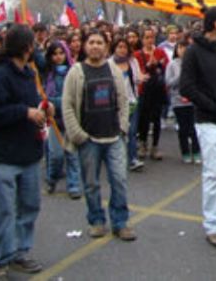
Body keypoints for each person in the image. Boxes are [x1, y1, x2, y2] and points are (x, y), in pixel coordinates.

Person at [0, 24, 49, 278]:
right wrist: (25, 112)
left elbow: (32, 105)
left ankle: (21, 251)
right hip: (4, 155)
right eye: (34, 44)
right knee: (4, 209)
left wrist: (43, 109)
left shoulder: (28, 74)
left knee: (29, 206)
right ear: (26, 47)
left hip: (29, 152)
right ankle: (1, 257)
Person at [62, 29, 136, 241]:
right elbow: (67, 106)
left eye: (99, 42)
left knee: (119, 181)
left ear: (106, 46)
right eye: (91, 42)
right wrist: (78, 135)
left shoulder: (113, 69)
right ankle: (96, 220)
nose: (95, 46)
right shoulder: (75, 72)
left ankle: (120, 222)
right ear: (85, 46)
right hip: (88, 139)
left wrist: (123, 127)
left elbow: (123, 100)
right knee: (92, 183)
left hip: (114, 138)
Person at [180, 5, 216, 249]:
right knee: (213, 173)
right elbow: (186, 87)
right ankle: (213, 225)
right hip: (208, 121)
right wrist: (214, 106)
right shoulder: (193, 52)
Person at [42, 42, 83, 199]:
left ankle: (74, 185)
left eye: (61, 53)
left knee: (72, 154)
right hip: (54, 121)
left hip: (71, 119)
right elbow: (45, 97)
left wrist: (61, 101)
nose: (58, 57)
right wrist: (52, 102)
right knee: (56, 155)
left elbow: (76, 95)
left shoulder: (74, 72)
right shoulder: (48, 75)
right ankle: (52, 179)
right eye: (55, 54)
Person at [109, 37, 146, 172]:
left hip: (132, 101)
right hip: (116, 104)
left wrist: (142, 78)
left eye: (124, 47)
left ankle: (133, 158)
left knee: (132, 131)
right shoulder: (109, 64)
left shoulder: (132, 61)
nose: (122, 50)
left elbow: (137, 78)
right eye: (119, 47)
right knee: (119, 132)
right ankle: (117, 158)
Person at [134, 27, 169, 160]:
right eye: (147, 37)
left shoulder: (160, 52)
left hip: (158, 90)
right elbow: (138, 72)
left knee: (157, 119)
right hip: (144, 90)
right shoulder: (137, 55)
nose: (149, 40)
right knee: (144, 118)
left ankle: (155, 146)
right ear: (142, 39)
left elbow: (166, 67)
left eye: (152, 37)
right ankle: (143, 143)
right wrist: (148, 65)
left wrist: (159, 65)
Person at [166, 39, 201, 164]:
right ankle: (185, 152)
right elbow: (168, 82)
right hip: (178, 100)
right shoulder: (172, 64)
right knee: (183, 128)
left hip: (192, 100)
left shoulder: (194, 63)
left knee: (193, 127)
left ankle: (196, 152)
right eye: (181, 47)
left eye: (186, 47)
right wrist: (179, 76)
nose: (183, 50)